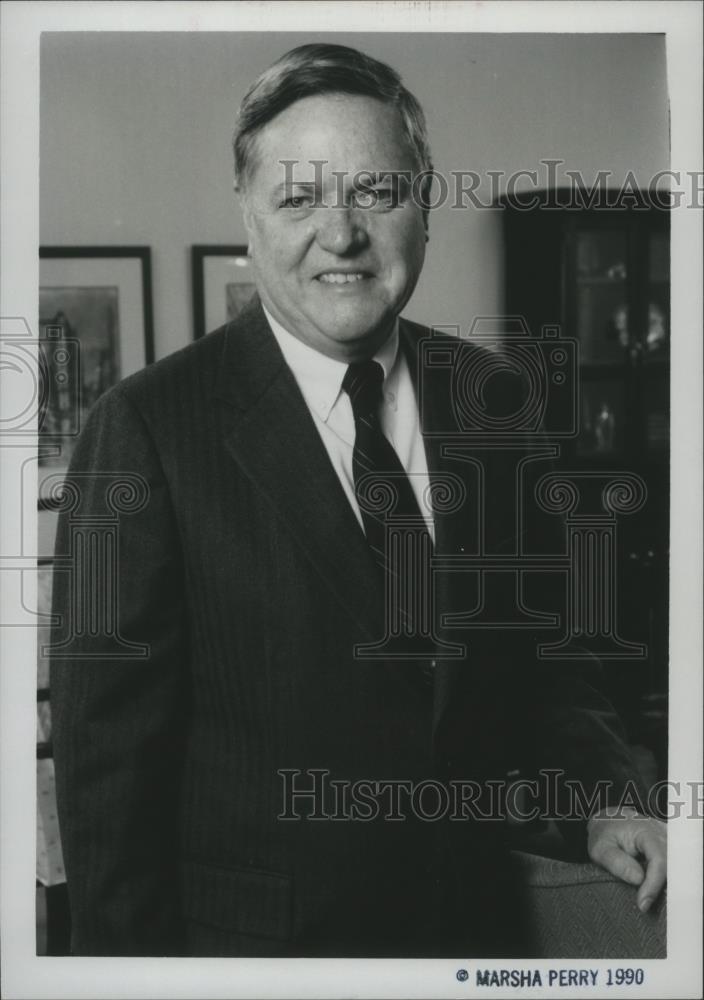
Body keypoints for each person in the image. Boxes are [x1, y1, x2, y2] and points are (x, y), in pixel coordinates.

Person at [50, 42, 666, 958]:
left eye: (374, 192)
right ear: (249, 216)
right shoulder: (146, 429)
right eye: (298, 197)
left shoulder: (494, 402)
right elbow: (108, 788)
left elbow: (551, 658)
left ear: (425, 204)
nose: (339, 235)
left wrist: (610, 791)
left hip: (474, 935)